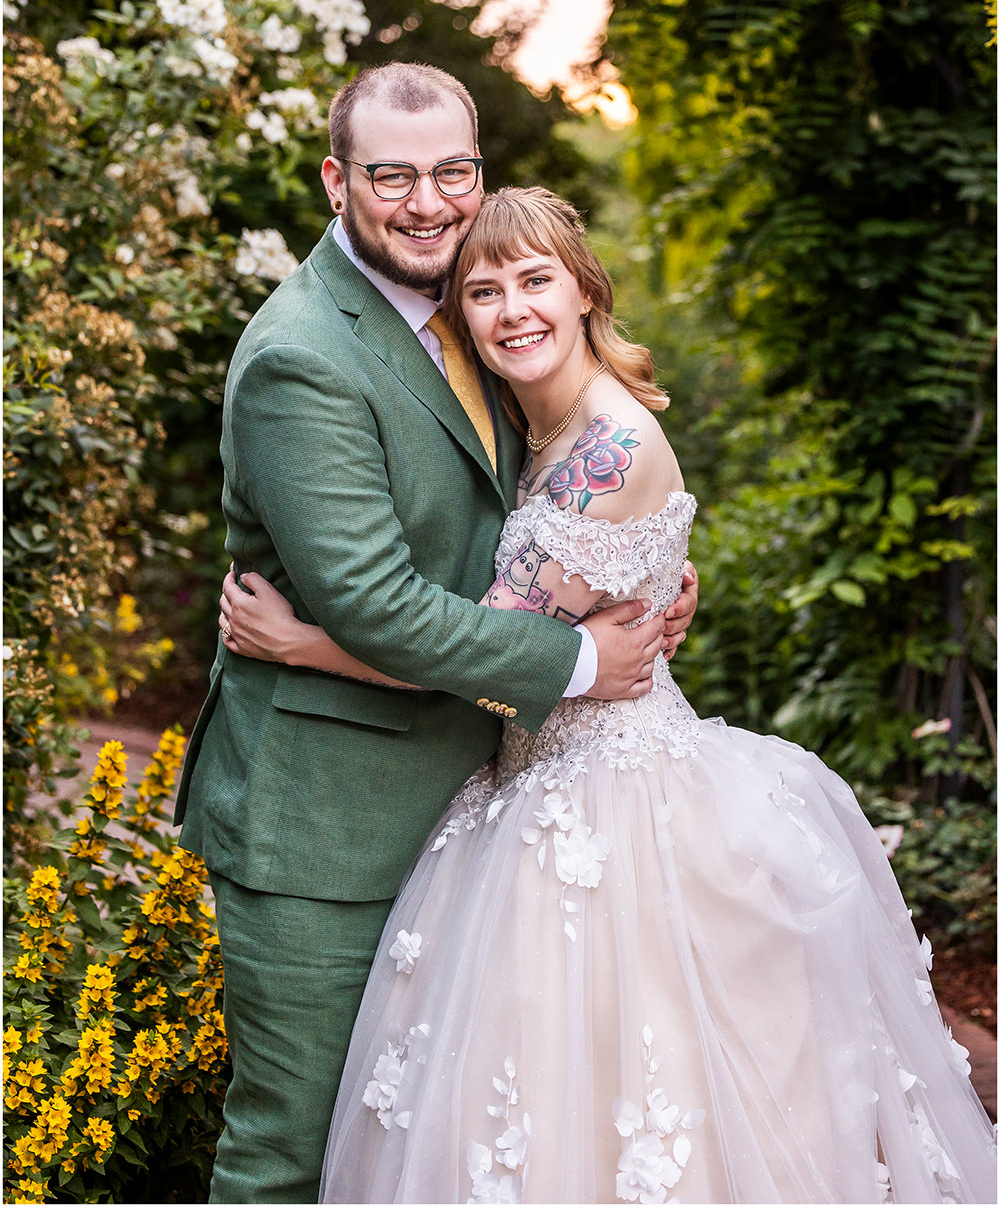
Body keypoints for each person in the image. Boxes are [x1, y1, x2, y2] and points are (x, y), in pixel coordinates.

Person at [221, 186, 997, 1206]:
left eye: (535, 280)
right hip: (527, 780)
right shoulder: (526, 422)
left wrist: (305, 645)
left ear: (584, 289)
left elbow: (486, 648)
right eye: (483, 291)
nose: (512, 310)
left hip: (611, 806)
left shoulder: (607, 448)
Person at [174, 64, 698, 1204]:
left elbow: (537, 510)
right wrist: (582, 659)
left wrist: (649, 568)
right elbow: (375, 604)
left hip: (483, 809)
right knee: (293, 1155)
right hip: (329, 830)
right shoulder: (302, 355)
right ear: (336, 180)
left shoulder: (468, 312)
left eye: (451, 171)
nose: (427, 202)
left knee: (437, 1151)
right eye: (391, 176)